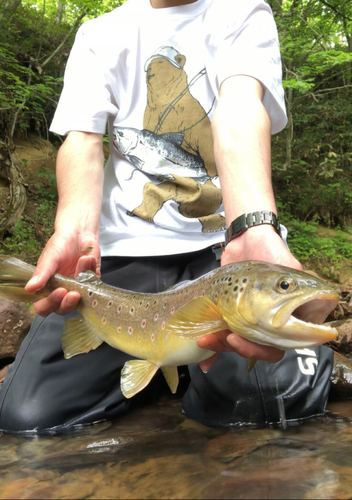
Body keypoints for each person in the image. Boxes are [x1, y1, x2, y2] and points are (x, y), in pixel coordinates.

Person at [0, 0, 333, 432]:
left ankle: (174, 369)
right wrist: (75, 234)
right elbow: (81, 141)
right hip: (120, 260)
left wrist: (253, 227)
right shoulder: (98, 34)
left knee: (275, 409)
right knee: (27, 418)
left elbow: (238, 110)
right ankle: (167, 369)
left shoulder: (244, 11)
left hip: (224, 252)